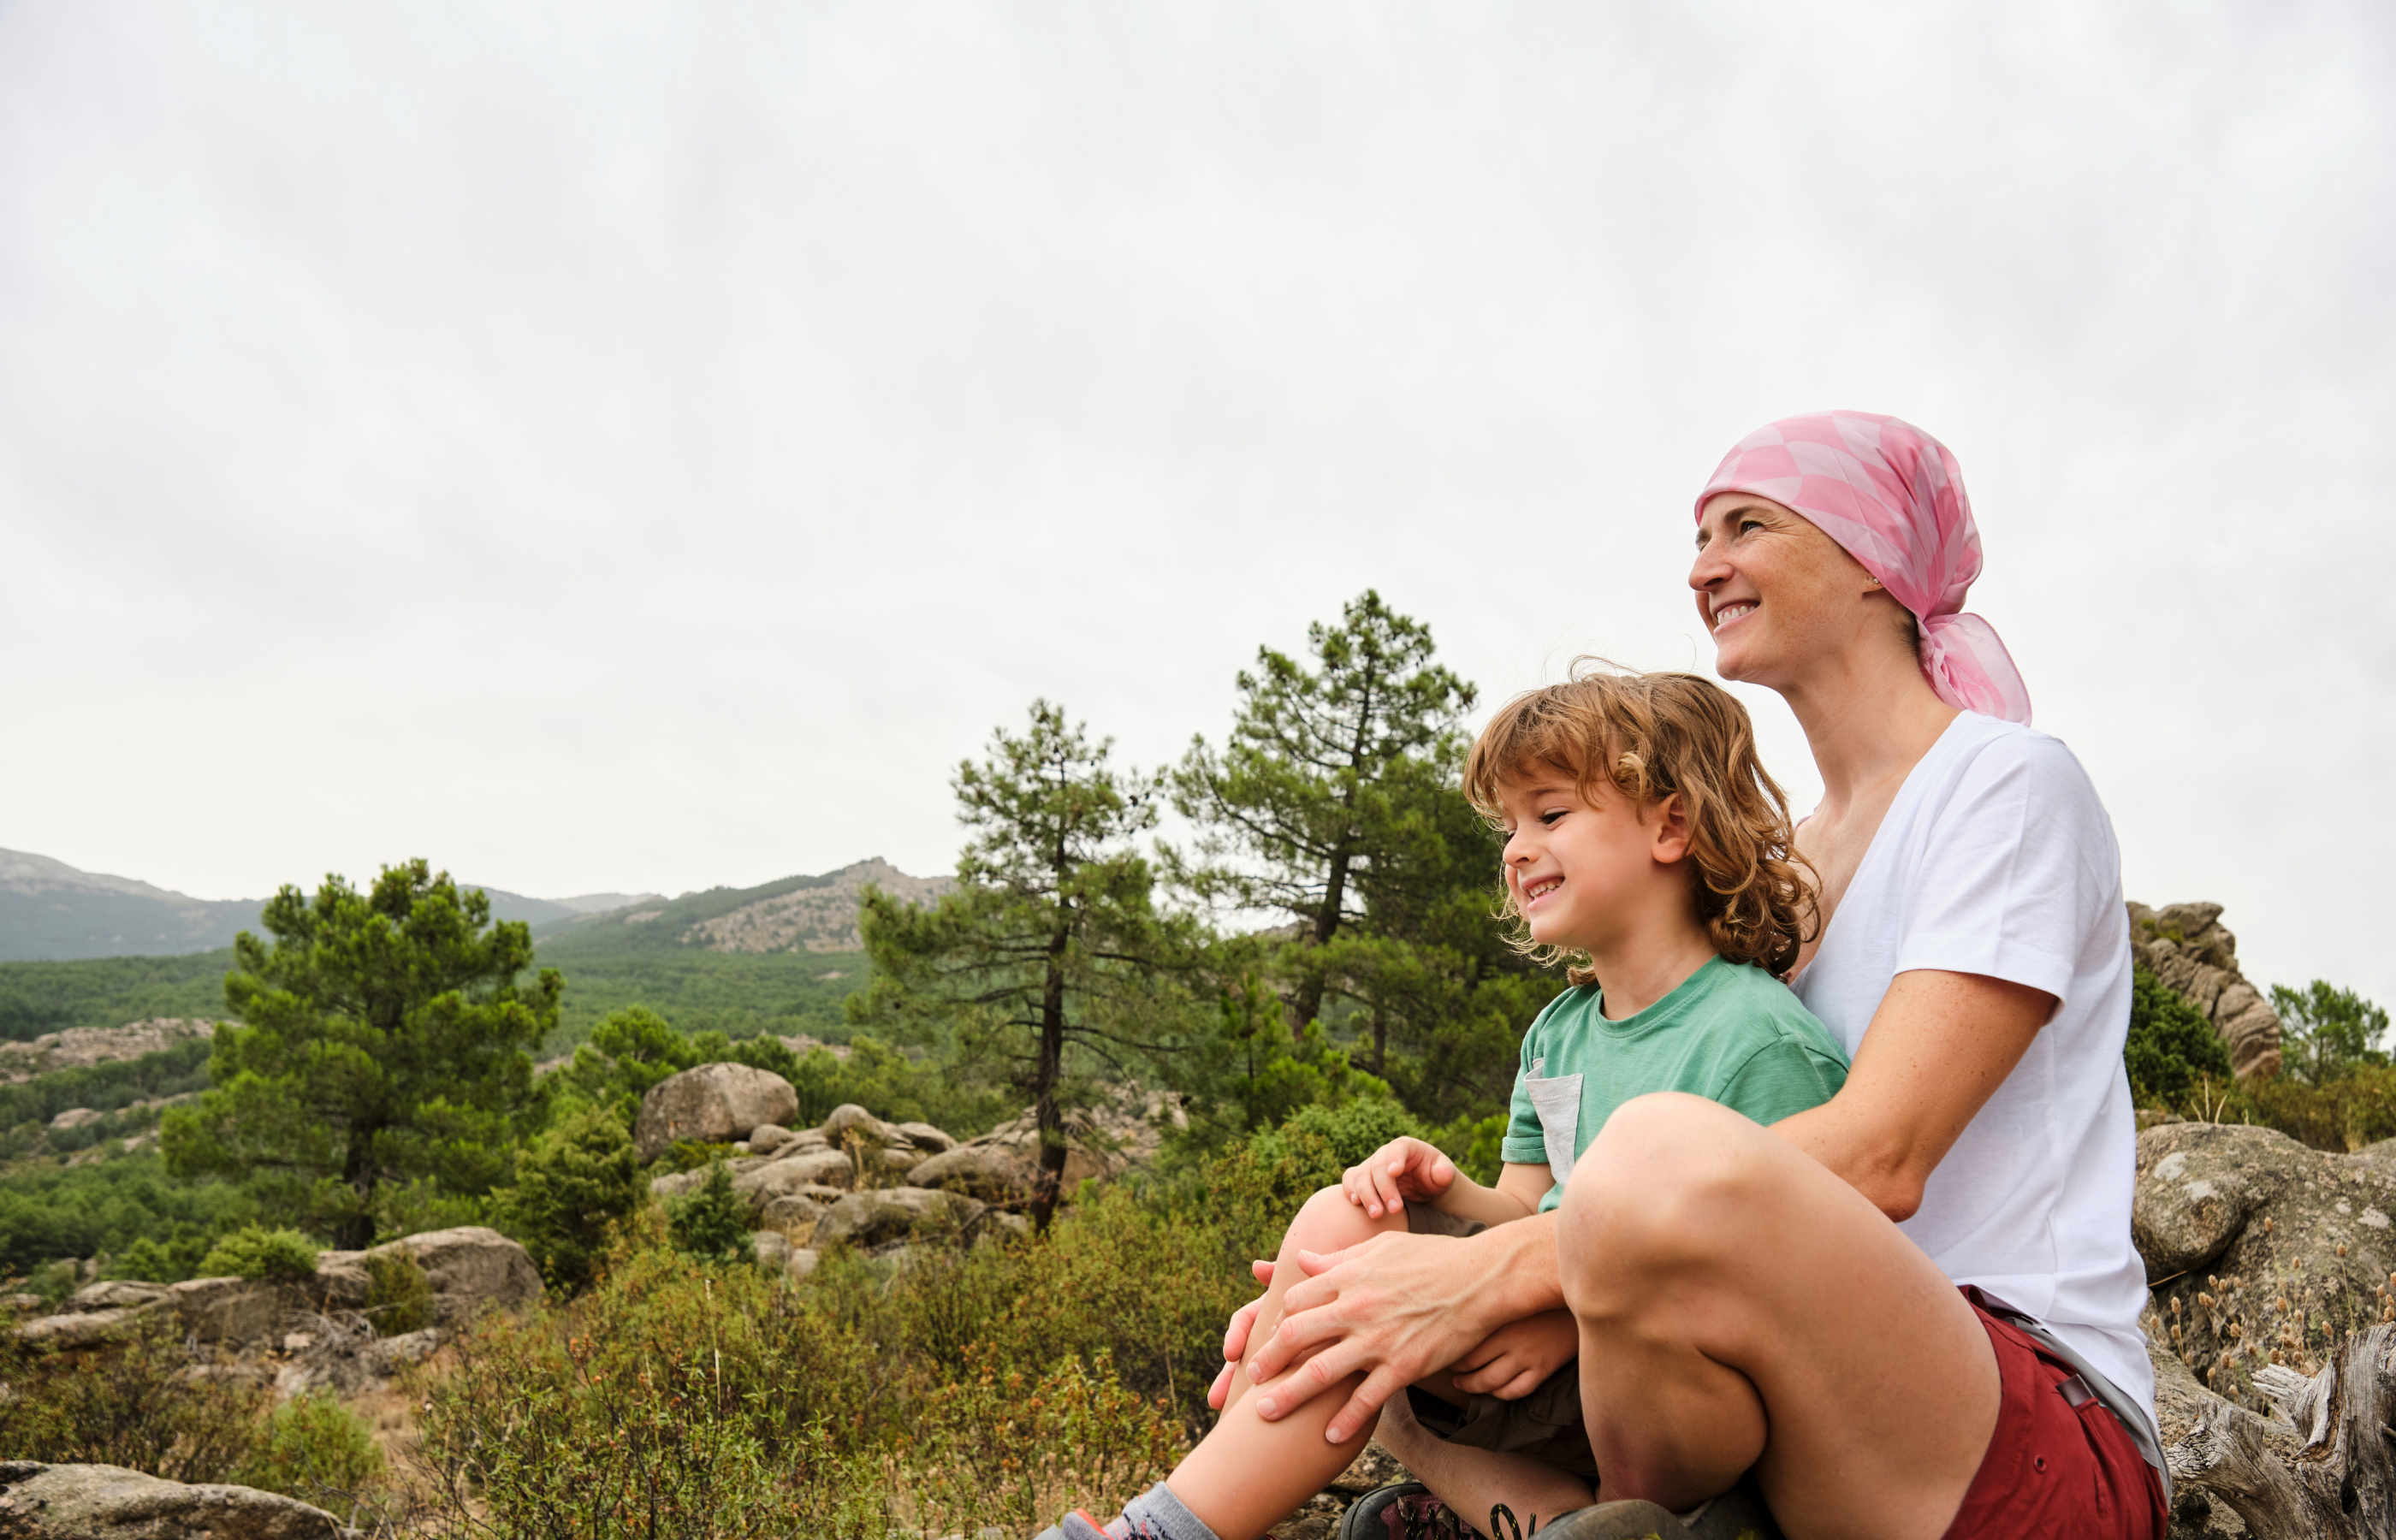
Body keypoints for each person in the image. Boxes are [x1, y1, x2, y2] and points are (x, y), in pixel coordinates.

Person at [1221, 412, 2170, 1540]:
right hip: (1770, 1407)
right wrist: (1390, 1285)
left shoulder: (2005, 787)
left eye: (1746, 525)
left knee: (1651, 1151)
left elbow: (1878, 1154)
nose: (1702, 565)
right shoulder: (1796, 865)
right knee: (1366, 1236)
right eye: (1698, 534)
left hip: (2021, 1426)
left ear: (1874, 562)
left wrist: (1507, 1274)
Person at [1043, 671, 1850, 1540]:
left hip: (1666, 1387)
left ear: (1669, 825)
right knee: (1341, 1219)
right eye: (1507, 827)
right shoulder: (1558, 1035)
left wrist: (1572, 1324)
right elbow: (1523, 1207)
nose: (1514, 848)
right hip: (1545, 1357)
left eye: (1549, 815)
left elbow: (1768, 1289)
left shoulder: (1756, 1040)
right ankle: (1183, 1524)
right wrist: (1445, 1189)